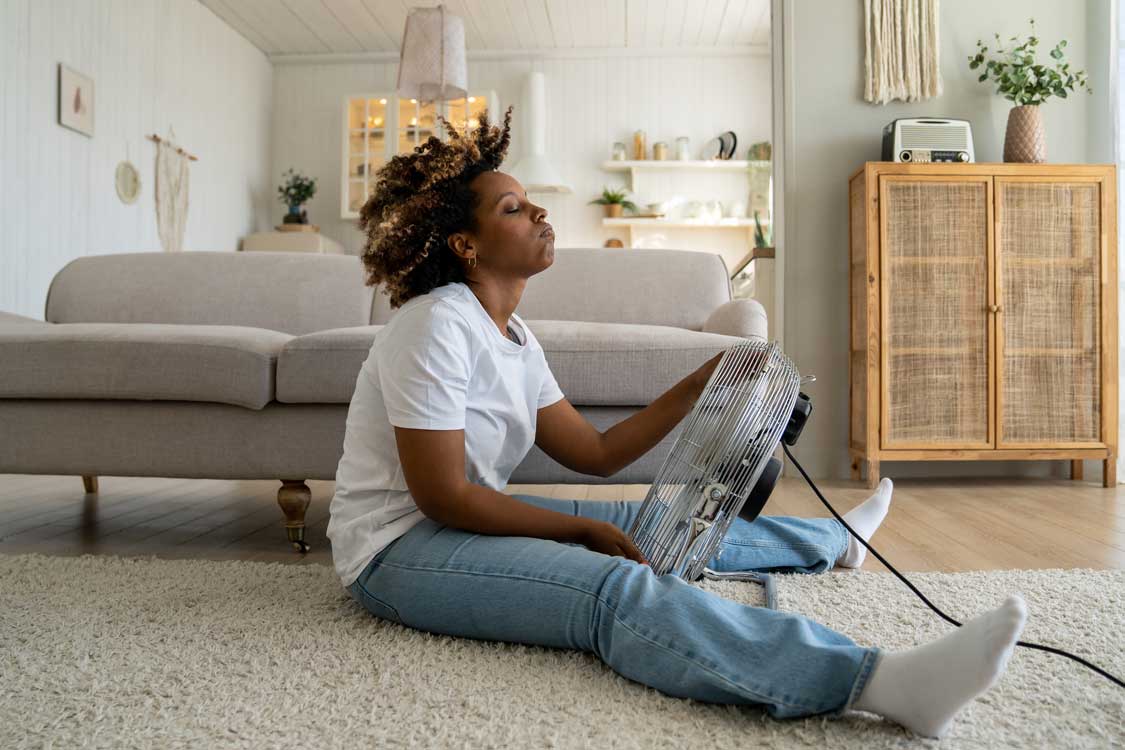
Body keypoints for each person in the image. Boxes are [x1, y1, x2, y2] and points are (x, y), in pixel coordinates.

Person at [327, 106, 1028, 739]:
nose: (539, 213)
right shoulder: (434, 326)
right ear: (464, 245)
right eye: (513, 208)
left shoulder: (514, 338)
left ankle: (829, 542)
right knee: (615, 584)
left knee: (646, 522)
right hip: (395, 551)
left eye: (532, 201)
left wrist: (698, 384)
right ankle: (882, 683)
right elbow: (441, 495)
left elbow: (595, 454)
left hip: (450, 526)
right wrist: (579, 530)